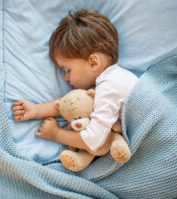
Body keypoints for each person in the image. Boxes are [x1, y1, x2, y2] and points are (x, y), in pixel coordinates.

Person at [12, 9, 138, 162]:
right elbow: (72, 103)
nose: (65, 78)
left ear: (93, 62)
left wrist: (56, 134)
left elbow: (94, 140)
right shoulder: (112, 80)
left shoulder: (110, 86)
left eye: (67, 70)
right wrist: (37, 110)